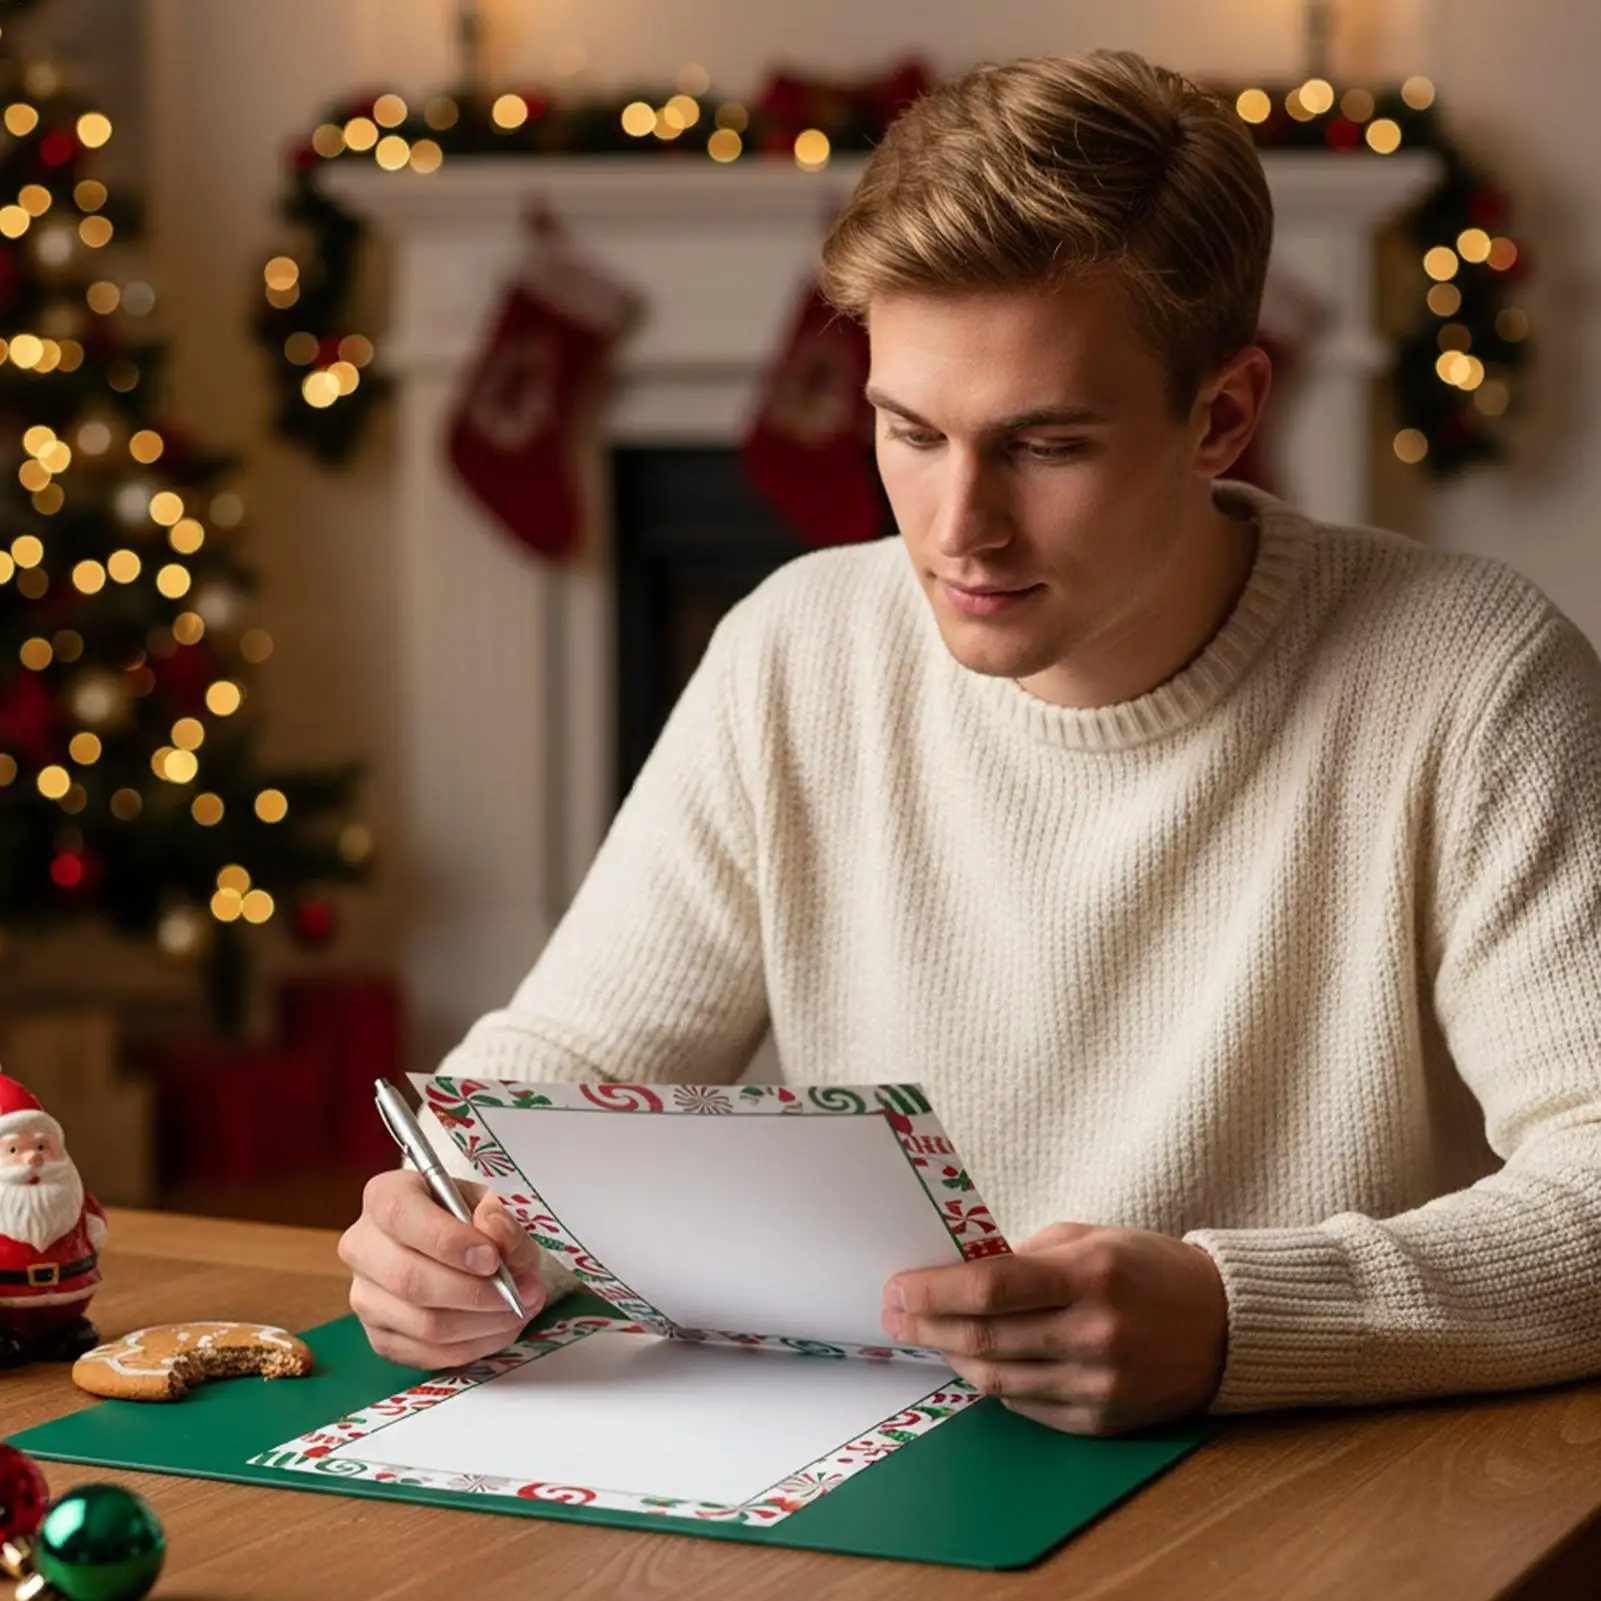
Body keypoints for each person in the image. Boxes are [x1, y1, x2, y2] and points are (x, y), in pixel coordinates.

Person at [340, 47, 1601, 1437]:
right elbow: (567, 1059)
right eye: (910, 431)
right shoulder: (796, 646)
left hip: (1306, 1498)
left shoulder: (1476, 677)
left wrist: (1241, 1317)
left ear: (1223, 416)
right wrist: (443, 1209)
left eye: (1044, 445)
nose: (955, 530)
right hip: (871, 1476)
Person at [0, 1073, 107, 1365]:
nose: (32, 1159)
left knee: (68, 1336)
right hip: (7, 1295)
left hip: (69, 1291)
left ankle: (64, 1330)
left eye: (41, 1147)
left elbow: (94, 1219)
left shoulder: (69, 1192)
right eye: (13, 1150)